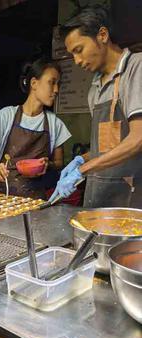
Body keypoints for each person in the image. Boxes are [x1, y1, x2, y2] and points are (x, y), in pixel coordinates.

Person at [50, 6, 142, 208]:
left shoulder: (136, 68)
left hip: (132, 199)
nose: (77, 61)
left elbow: (137, 139)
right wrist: (81, 160)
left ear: (102, 35)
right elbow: (105, 148)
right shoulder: (95, 89)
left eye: (79, 50)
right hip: (99, 197)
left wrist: (83, 170)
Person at [0, 58, 72, 199]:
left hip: (36, 200)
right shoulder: (6, 116)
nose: (56, 90)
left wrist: (48, 164)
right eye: (51, 83)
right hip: (2, 198)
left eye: (58, 84)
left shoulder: (55, 124)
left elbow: (59, 163)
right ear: (34, 83)